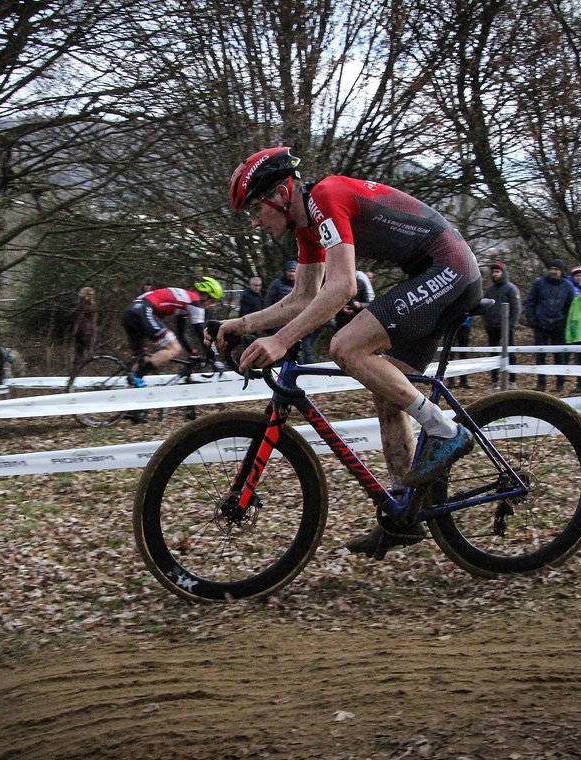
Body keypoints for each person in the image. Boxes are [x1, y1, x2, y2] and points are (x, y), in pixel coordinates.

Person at [221, 146, 482, 559]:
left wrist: (281, 341)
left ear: (282, 194)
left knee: (345, 346)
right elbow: (302, 298)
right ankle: (404, 514)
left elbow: (342, 287)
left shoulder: (326, 198)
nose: (255, 221)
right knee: (388, 391)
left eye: (256, 207)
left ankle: (446, 431)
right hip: (431, 274)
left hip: (449, 269)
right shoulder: (307, 227)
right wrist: (243, 325)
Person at [123, 277, 223, 385]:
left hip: (130, 312)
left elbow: (181, 334)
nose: (211, 305)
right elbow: (202, 335)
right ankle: (138, 376)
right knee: (174, 348)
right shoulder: (195, 302)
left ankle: (131, 381)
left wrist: (192, 353)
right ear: (205, 295)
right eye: (212, 300)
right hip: (144, 311)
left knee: (141, 356)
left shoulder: (185, 300)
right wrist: (215, 359)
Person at [524, 259, 574, 391]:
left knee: (560, 356)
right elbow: (530, 302)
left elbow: (571, 307)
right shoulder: (539, 284)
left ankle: (560, 383)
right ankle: (541, 383)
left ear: (561, 271)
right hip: (541, 324)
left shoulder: (568, 286)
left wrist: (566, 322)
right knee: (541, 355)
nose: (553, 271)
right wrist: (532, 320)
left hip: (559, 325)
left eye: (556, 269)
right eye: (551, 268)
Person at [482, 262, 521, 389]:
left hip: (506, 327)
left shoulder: (511, 289)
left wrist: (511, 325)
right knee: (493, 354)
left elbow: (516, 308)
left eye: (498, 272)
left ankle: (512, 380)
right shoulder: (490, 290)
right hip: (492, 327)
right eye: (493, 272)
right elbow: (484, 307)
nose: (495, 274)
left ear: (503, 273)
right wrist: (487, 323)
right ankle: (494, 381)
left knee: (510, 353)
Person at [72, 286, 96, 367]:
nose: (92, 296)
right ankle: (77, 370)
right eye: (91, 294)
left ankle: (76, 370)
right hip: (83, 331)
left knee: (79, 353)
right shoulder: (83, 304)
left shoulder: (82, 303)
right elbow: (81, 318)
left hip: (82, 330)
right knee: (81, 352)